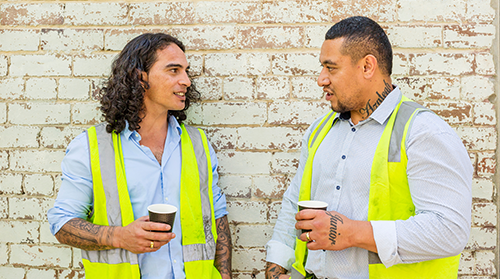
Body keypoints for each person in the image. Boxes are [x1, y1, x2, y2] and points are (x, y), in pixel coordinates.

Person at [265, 16, 472, 279]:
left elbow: (449, 231)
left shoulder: (423, 132)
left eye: (331, 68)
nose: (321, 79)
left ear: (367, 66)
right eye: (322, 67)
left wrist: (352, 233)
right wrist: (276, 266)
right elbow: (295, 200)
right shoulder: (320, 130)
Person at [47, 33, 232, 279]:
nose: (187, 81)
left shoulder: (198, 144)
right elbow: (62, 224)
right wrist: (119, 236)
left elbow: (217, 219)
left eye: (186, 71)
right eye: (174, 70)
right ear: (139, 77)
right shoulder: (91, 147)